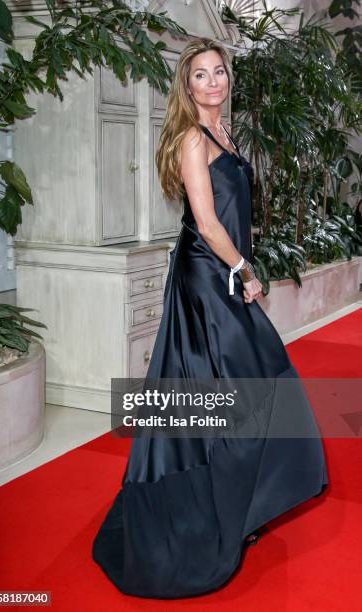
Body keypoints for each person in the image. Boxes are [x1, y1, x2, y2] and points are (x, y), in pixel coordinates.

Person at [92, 37, 328, 599]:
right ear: (187, 85)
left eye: (219, 72)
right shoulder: (191, 140)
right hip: (207, 282)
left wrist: (242, 264)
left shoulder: (225, 132)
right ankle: (205, 515)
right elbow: (207, 222)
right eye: (200, 75)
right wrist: (246, 271)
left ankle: (235, 500)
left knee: (242, 387)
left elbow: (234, 211)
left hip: (220, 275)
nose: (212, 82)